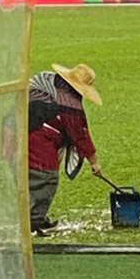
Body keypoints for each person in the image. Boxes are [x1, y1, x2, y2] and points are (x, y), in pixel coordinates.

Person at [28, 63, 104, 234]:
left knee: (29, 178)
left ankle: (29, 216)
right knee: (45, 177)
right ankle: (35, 220)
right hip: (39, 139)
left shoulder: (47, 84)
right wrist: (95, 163)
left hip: (19, 134)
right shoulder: (70, 105)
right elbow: (81, 136)